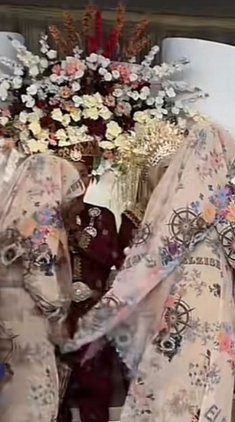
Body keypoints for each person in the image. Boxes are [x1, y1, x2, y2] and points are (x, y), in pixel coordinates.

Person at [62, 121, 235, 421]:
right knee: (204, 376)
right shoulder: (225, 193)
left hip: (171, 302)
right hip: (207, 301)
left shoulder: (173, 195)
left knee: (170, 377)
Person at [0, 153, 84, 421]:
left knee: (11, 390)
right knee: (32, 392)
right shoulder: (44, 218)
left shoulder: (13, 217)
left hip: (6, 314)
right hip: (29, 318)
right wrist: (61, 309)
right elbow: (43, 278)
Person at [57, 154, 123, 422]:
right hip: (53, 317)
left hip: (92, 315)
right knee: (50, 388)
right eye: (70, 174)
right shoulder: (42, 217)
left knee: (94, 389)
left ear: (90, 179)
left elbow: (112, 257)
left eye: (82, 174)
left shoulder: (101, 216)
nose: (76, 180)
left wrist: (75, 230)